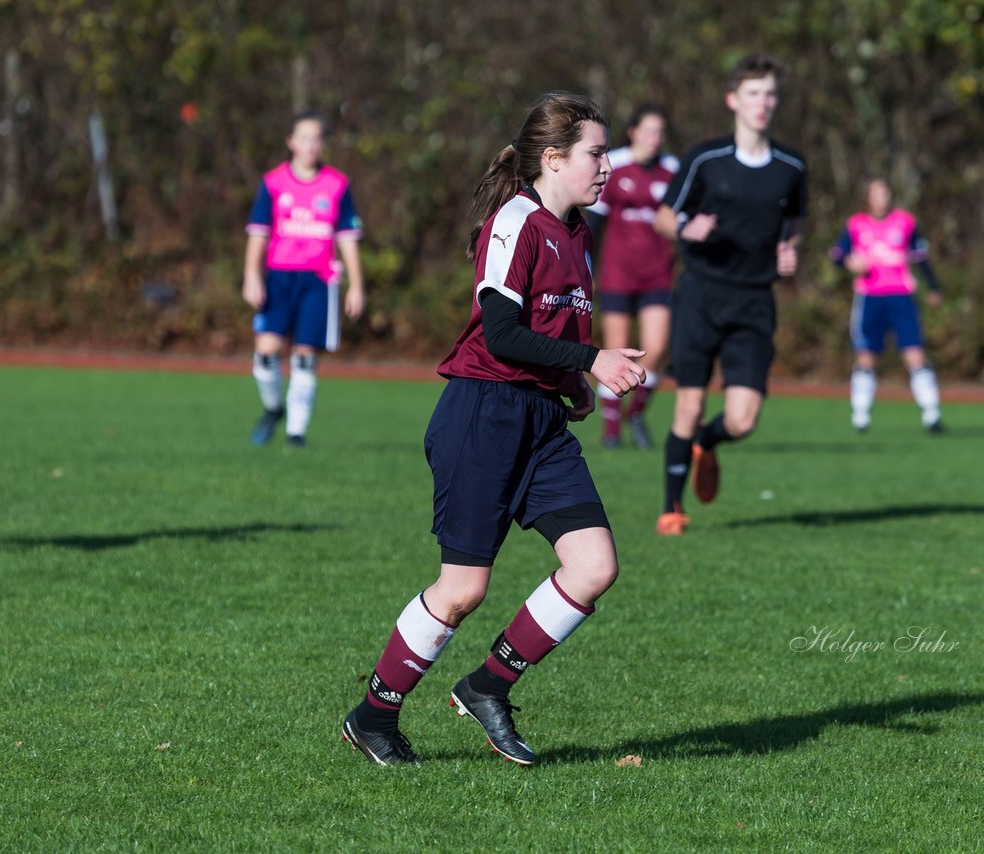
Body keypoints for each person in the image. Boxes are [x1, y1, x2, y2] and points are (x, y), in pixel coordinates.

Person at [341, 92, 646, 767]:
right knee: (463, 591)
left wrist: (574, 384)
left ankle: (487, 685)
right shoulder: (517, 221)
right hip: (483, 414)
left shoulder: (578, 232)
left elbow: (554, 332)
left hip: (540, 423)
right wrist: (590, 361)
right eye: (597, 153)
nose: (608, 167)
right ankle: (373, 715)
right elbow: (504, 333)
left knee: (594, 567)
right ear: (554, 158)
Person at [652, 55, 806, 536]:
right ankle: (672, 507)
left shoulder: (791, 167)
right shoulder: (705, 158)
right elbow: (662, 217)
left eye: (770, 94)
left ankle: (707, 443)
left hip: (755, 301)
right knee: (689, 404)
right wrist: (685, 227)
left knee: (742, 420)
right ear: (733, 100)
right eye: (754, 93)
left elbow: (796, 223)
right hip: (700, 295)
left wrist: (789, 250)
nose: (763, 103)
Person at [242, 111, 365, 448]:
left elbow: (347, 237)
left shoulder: (337, 184)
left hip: (318, 280)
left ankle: (296, 434)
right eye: (304, 138)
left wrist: (356, 284)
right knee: (266, 352)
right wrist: (251, 275)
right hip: (279, 278)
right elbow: (258, 232)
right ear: (291, 142)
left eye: (317, 139)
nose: (311, 145)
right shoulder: (273, 182)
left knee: (304, 357)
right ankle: (272, 408)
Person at [587, 104, 679, 449]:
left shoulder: (672, 171)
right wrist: (585, 268)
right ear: (633, 131)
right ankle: (611, 430)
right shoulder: (614, 165)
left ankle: (636, 412)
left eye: (660, 132)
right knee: (617, 352)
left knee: (655, 348)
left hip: (658, 274)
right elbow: (594, 224)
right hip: (617, 274)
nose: (654, 138)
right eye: (648, 130)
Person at [829, 177, 944, 433]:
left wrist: (934, 287)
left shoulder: (904, 222)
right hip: (870, 297)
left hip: (901, 295)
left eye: (886, 192)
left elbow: (921, 257)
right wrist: (850, 263)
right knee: (866, 356)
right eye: (877, 193)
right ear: (868, 198)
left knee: (915, 353)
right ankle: (861, 416)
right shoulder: (856, 225)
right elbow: (837, 255)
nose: (883, 197)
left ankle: (932, 415)